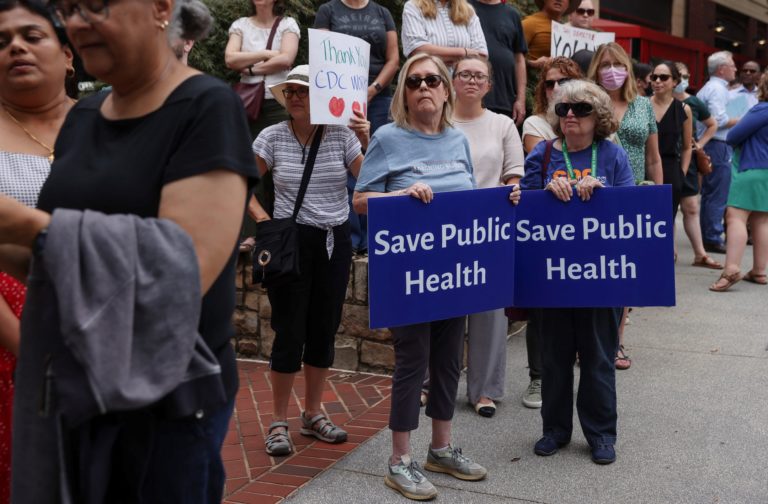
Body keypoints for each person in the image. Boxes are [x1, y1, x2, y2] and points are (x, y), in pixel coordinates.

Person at [3, 0, 258, 501]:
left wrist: (22, 222)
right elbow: (55, 258)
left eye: (96, 5)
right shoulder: (85, 116)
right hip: (82, 385)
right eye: (69, 9)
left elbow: (180, 275)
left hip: (166, 404)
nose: (77, 22)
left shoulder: (208, 107)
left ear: (162, 8)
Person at [353, 53, 521, 500]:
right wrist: (403, 196)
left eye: (432, 80)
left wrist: (503, 200)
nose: (424, 87)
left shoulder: (455, 139)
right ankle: (399, 460)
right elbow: (360, 200)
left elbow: (466, 199)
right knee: (412, 362)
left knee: (449, 361)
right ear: (403, 93)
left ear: (446, 90)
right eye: (414, 81)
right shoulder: (388, 138)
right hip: (408, 275)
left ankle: (441, 448)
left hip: (454, 272)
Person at [249, 65, 369, 457]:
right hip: (291, 241)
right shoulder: (271, 136)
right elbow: (239, 180)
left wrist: (365, 140)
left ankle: (313, 413)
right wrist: (265, 220)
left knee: (324, 330)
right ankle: (278, 420)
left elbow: (367, 183)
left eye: (303, 91)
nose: (295, 97)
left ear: (319, 96)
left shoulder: (340, 135)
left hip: (334, 241)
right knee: (289, 332)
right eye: (290, 92)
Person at [522, 79, 634, 465]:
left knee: (599, 357)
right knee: (554, 358)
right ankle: (554, 429)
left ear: (598, 116)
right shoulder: (542, 153)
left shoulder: (612, 156)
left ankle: (601, 433)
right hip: (552, 275)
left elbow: (631, 208)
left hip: (601, 275)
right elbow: (522, 204)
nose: (569, 114)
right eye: (563, 107)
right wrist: (545, 194)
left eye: (580, 109)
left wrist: (602, 189)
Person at [0, 1, 74, 500]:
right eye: (1, 42)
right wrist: (29, 351)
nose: (15, 47)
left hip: (101, 323)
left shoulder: (115, 123)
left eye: (32, 34)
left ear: (69, 54)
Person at [452, 55, 524, 418]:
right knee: (440, 310)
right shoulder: (437, 121)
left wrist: (512, 190)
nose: (470, 80)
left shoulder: (502, 124)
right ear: (452, 80)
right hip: (444, 230)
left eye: (478, 75)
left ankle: (484, 391)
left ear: (489, 85)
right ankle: (432, 384)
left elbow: (513, 174)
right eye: (463, 73)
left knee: (490, 313)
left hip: (489, 230)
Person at [588, 43, 662, 370]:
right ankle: (586, 342)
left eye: (617, 65)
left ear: (629, 70)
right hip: (593, 196)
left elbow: (654, 157)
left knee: (622, 273)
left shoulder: (643, 106)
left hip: (632, 197)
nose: (612, 71)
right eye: (605, 65)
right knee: (590, 272)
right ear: (595, 70)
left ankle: (616, 343)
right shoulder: (585, 103)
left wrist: (658, 201)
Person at [314, 0, 399, 255]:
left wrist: (371, 91)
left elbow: (393, 59)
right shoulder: (327, 11)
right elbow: (323, 54)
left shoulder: (382, 13)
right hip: (336, 99)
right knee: (341, 165)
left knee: (374, 163)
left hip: (378, 97)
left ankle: (375, 238)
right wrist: (349, 94)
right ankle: (348, 239)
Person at [710, 70, 768, 291]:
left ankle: (731, 268)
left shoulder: (762, 109)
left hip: (750, 167)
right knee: (762, 219)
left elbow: (733, 136)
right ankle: (759, 271)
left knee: (736, 217)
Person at [673, 61, 722, 270]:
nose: (683, 80)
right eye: (679, 76)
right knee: (667, 209)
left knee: (691, 207)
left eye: (686, 76)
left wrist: (699, 144)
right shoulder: (651, 103)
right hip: (663, 160)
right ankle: (669, 252)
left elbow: (712, 124)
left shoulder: (693, 102)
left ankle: (700, 254)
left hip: (688, 161)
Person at [225, 0, 299, 138]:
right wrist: (266, 54)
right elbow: (230, 59)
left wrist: (251, 69)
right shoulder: (240, 25)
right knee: (248, 150)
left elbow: (286, 59)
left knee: (280, 149)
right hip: (248, 100)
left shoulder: (288, 24)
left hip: (280, 100)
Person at [697, 51, 740, 255]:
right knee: (717, 193)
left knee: (710, 192)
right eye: (732, 65)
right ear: (722, 69)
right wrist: (744, 119)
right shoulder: (717, 89)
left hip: (712, 144)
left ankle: (708, 234)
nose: (736, 69)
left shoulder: (712, 87)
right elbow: (719, 120)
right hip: (717, 144)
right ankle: (712, 236)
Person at [468, 0, 527, 124]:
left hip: (505, 99)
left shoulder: (512, 14)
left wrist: (521, 100)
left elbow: (519, 59)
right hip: (470, 96)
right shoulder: (464, 8)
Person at [650, 61, 692, 225]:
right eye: (654, 77)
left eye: (663, 77)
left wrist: (682, 173)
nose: (658, 81)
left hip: (671, 168)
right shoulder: (642, 104)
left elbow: (687, 147)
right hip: (646, 167)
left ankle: (667, 250)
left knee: (666, 220)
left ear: (675, 81)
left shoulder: (683, 109)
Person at [401, 0, 488, 67]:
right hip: (429, 84)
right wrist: (464, 52)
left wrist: (436, 56)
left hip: (462, 86)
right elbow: (418, 50)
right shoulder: (413, 7)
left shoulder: (468, 10)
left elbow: (482, 54)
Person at [522, 56, 582, 153]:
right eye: (549, 84)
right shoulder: (535, 124)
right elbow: (543, 164)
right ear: (543, 90)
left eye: (563, 82)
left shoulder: (587, 119)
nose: (556, 89)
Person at [521, 0, 579, 72]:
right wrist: (532, 63)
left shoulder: (567, 32)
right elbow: (509, 56)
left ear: (569, 4)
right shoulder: (529, 24)